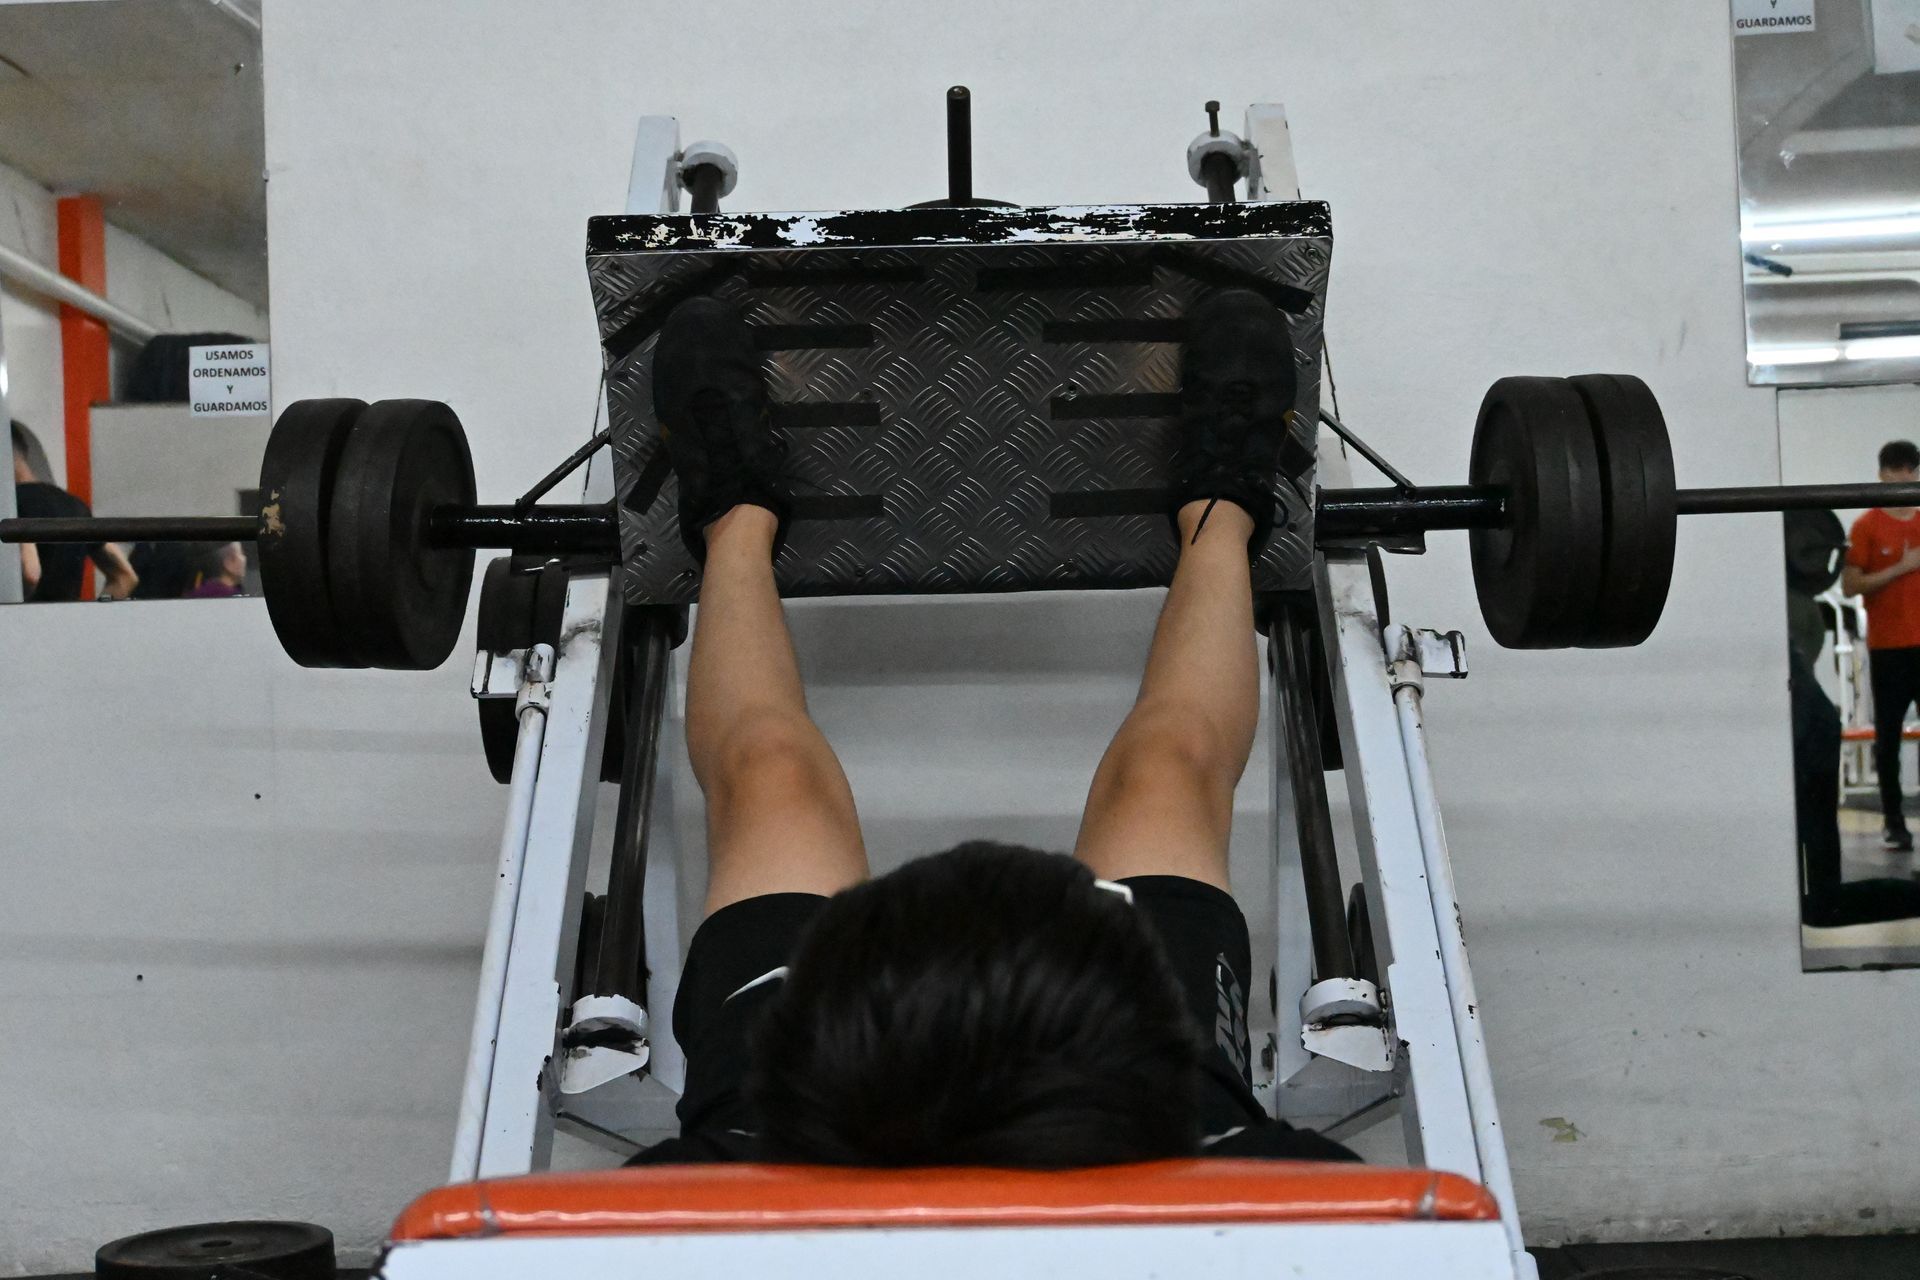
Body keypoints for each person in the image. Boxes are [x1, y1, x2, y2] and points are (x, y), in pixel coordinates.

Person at [628, 290, 1356, 1168]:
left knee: (767, 773)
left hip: (798, 1150)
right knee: (1171, 768)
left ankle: (733, 519)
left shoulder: (717, 1188)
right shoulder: (1239, 1169)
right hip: (1145, 1144)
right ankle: (1225, 507)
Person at [1842, 440, 1920, 853]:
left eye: (1908, 469)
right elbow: (1850, 584)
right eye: (1894, 470)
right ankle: (1895, 823)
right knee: (1887, 738)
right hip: (1888, 647)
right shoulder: (1867, 526)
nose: (1901, 477)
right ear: (1881, 474)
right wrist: (1901, 568)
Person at [9, 422, 138, 602]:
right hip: (68, 622)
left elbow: (30, 573)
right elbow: (124, 577)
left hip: (27, 624)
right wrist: (94, 610)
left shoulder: (11, 506)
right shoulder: (74, 505)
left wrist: (18, 613)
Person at [182, 542, 249, 598]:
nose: (245, 558)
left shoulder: (193, 595)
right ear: (228, 562)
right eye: (242, 553)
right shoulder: (234, 599)